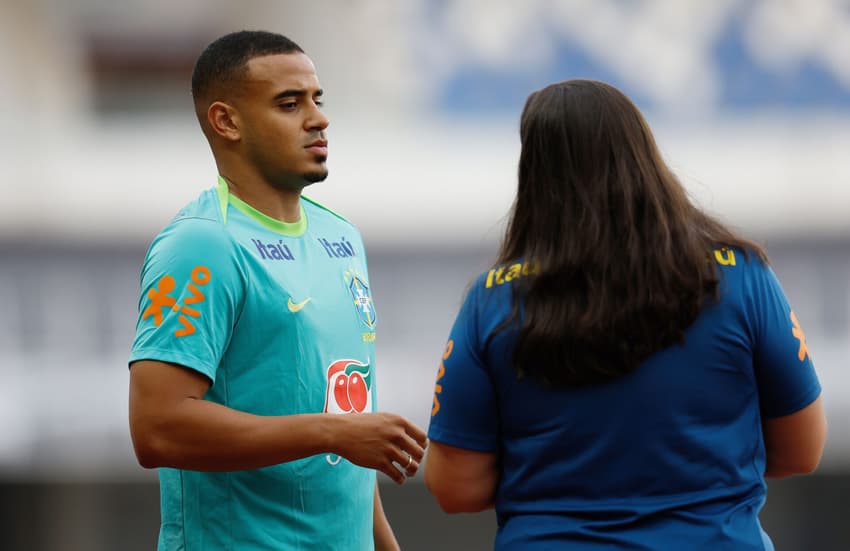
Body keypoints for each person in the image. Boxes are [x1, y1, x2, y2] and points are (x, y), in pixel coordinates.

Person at [424, 79, 827, 550]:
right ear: (643, 156)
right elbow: (802, 449)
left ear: (535, 176)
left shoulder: (492, 301)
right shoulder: (743, 276)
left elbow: (457, 487)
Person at [128, 30, 427, 551]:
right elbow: (157, 427)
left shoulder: (341, 237)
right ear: (227, 122)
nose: (318, 118)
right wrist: (332, 434)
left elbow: (347, 428)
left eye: (317, 99)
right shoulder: (202, 244)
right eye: (289, 103)